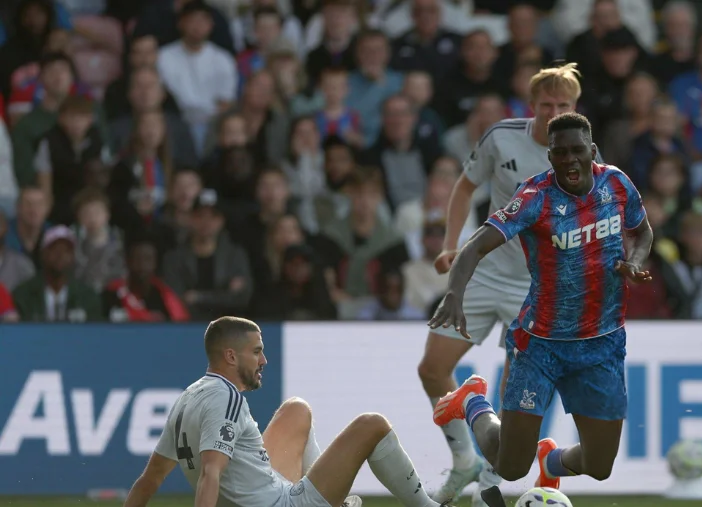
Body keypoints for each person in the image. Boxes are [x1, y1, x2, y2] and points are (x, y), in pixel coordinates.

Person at [429, 112, 653, 491]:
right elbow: (476, 246)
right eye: (560, 153)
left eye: (577, 150)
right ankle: (472, 402)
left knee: (599, 467)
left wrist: (633, 261)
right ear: (549, 157)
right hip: (541, 346)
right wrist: (455, 292)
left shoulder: (616, 182)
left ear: (592, 150)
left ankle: (551, 461)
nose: (569, 159)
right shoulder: (535, 198)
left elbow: (642, 231)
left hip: (602, 344)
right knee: (511, 468)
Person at [418, 63, 601, 506]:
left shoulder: (583, 154)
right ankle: (464, 459)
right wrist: (452, 243)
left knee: (515, 398)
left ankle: (491, 483)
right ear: (532, 106)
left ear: (574, 108)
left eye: (564, 105)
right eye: (547, 105)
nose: (555, 112)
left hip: (537, 289)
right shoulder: (501, 137)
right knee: (432, 369)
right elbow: (464, 189)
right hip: (485, 272)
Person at [123, 316, 448, 507]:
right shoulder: (228, 398)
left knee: (296, 410)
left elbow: (149, 479)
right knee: (372, 424)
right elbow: (210, 473)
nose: (264, 361)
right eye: (257, 352)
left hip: (264, 491)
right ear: (231, 357)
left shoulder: (186, 398)